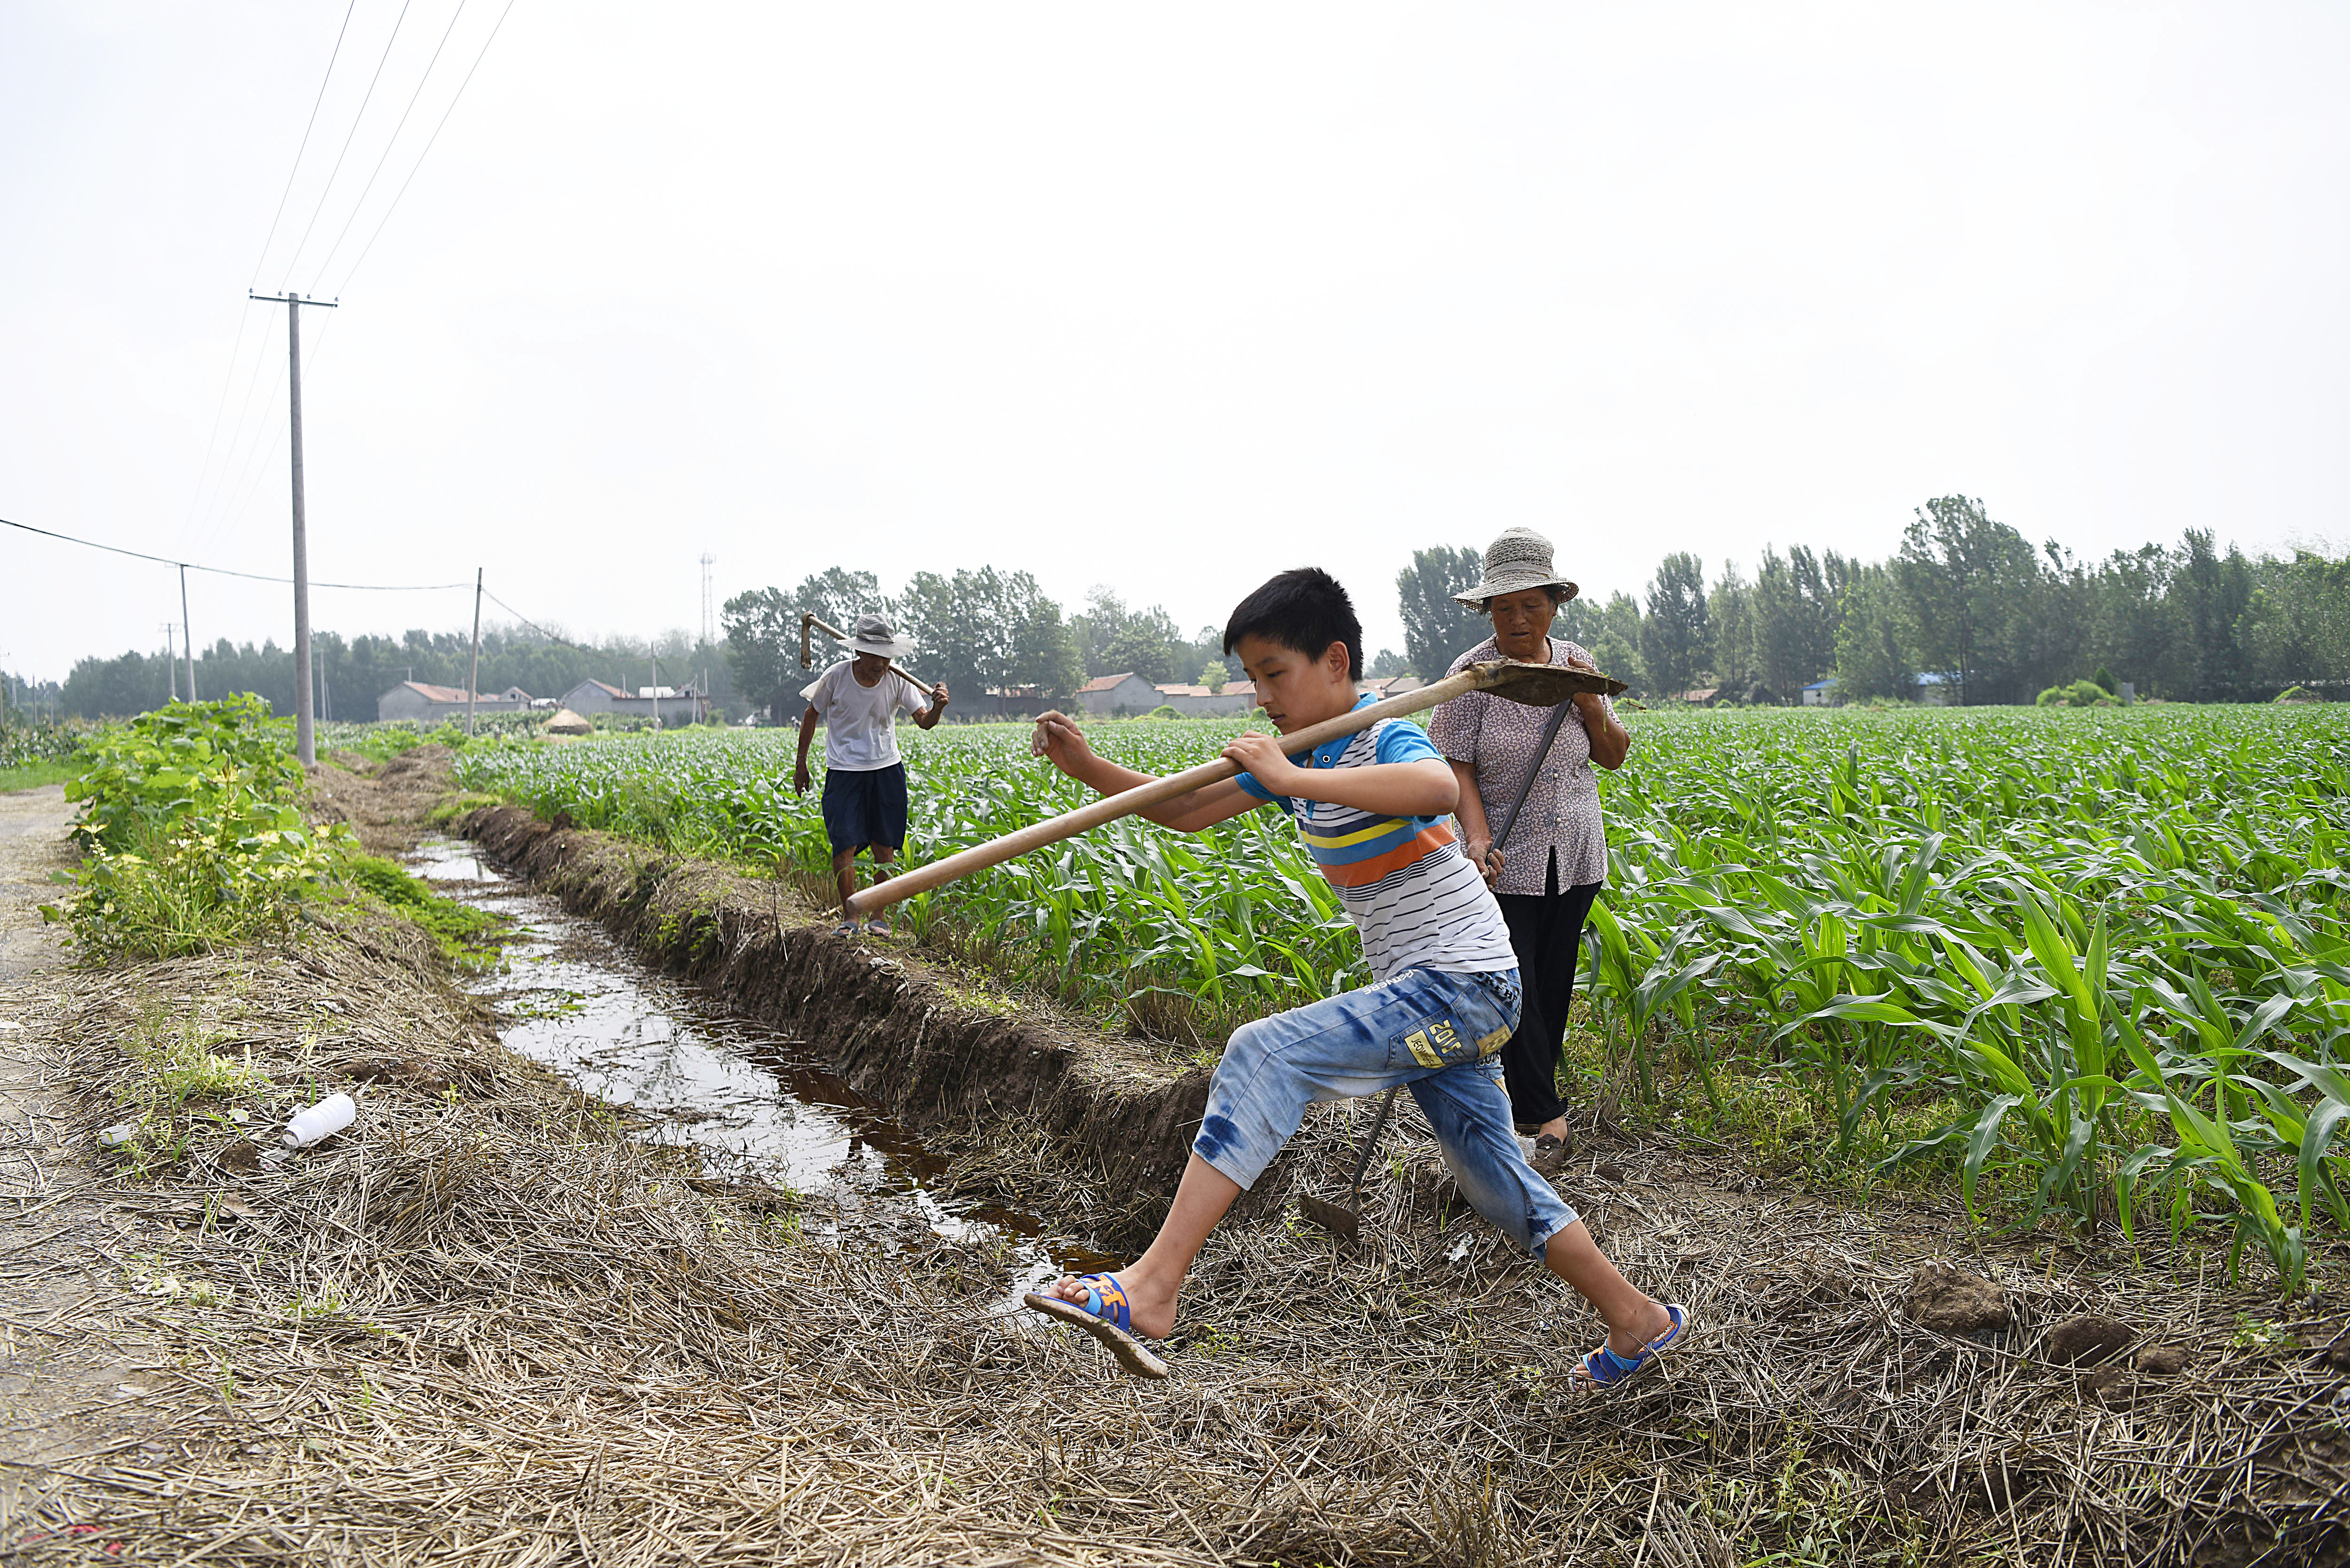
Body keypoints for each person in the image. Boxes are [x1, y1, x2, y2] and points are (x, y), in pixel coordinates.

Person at [1024, 568, 1683, 1386]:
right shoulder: (1310, 751)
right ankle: (1638, 1319)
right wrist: (1091, 769)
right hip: (1441, 994)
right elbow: (1188, 809)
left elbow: (1438, 785)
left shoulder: (1378, 737)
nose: (1262, 697)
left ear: (1335, 661)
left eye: (1276, 673)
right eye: (1252, 678)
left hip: (1464, 981)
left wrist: (1293, 779)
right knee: (1494, 1180)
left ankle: (1154, 1286)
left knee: (1265, 1053)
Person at [1428, 527, 1630, 1155]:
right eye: (1504, 606)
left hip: (1574, 852)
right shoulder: (1472, 675)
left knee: (1551, 979)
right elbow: (1454, 763)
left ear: (1554, 604)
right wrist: (1477, 835)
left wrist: (1590, 705)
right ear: (1488, 610)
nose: (1518, 617)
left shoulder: (1576, 664)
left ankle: (1526, 1096)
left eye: (1531, 604)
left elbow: (1614, 756)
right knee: (1515, 981)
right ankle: (1546, 1120)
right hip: (1503, 855)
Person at [793, 613, 949, 936]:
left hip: (886, 769)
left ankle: (879, 916)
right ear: (859, 653)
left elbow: (924, 720)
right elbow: (812, 714)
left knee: (885, 844)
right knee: (843, 844)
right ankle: (851, 916)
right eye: (875, 655)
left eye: (887, 656)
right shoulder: (836, 677)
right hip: (844, 771)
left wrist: (937, 708)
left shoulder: (898, 679)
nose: (882, 663)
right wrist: (801, 763)